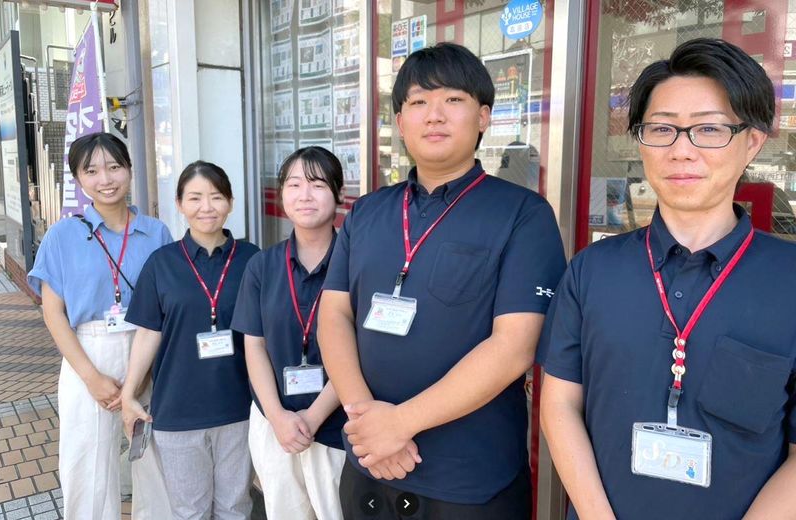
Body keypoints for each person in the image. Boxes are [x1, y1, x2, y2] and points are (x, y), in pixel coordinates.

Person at [537, 38, 796, 519]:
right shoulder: (592, 271)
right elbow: (560, 405)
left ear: (752, 142)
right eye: (662, 129)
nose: (681, 150)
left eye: (709, 129)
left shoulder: (789, 280)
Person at [317, 43, 566, 519]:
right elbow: (334, 314)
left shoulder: (522, 214)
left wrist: (400, 424)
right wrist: (366, 420)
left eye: (453, 99)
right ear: (400, 121)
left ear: (483, 116)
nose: (434, 115)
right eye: (418, 102)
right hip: (368, 464)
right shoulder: (367, 212)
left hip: (469, 479)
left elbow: (514, 346)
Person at [27, 132, 172, 520]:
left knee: (154, 462)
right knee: (86, 467)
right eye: (91, 171)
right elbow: (53, 313)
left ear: (129, 170)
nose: (105, 179)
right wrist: (91, 377)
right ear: (78, 178)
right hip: (87, 352)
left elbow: (166, 305)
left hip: (147, 349)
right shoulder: (62, 235)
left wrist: (143, 374)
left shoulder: (157, 232)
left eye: (114, 167)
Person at [120, 161, 258, 519]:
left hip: (239, 407)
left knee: (235, 507)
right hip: (178, 410)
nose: (206, 207)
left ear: (230, 202)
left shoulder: (252, 259)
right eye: (195, 198)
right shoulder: (161, 263)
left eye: (216, 196)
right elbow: (148, 332)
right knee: (189, 511)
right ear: (179, 204)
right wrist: (128, 394)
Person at [231, 147, 346, 519]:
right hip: (275, 425)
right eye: (294, 184)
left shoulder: (357, 263)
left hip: (340, 427)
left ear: (339, 194)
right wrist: (278, 417)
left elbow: (362, 353)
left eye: (317, 184)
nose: (305, 195)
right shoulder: (262, 266)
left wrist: (313, 417)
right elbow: (254, 346)